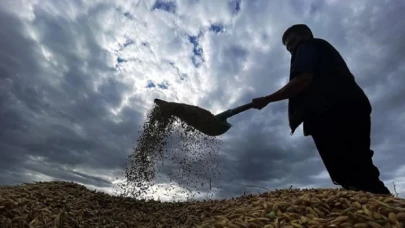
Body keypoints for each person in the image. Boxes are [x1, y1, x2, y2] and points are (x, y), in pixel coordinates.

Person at [252, 24, 391, 195]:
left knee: (353, 169)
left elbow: (303, 79)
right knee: (356, 166)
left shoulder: (308, 46)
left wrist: (267, 99)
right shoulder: (323, 52)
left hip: (335, 111)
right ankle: (375, 209)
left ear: (306, 36)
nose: (291, 48)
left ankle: (385, 212)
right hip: (349, 106)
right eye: (288, 46)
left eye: (293, 42)